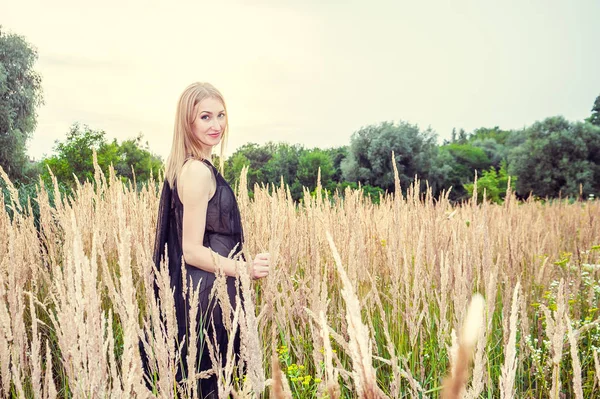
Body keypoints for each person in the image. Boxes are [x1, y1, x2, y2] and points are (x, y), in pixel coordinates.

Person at [151, 82, 270, 397]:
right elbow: (191, 251)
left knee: (217, 384)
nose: (216, 125)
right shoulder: (196, 172)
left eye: (220, 115)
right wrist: (246, 269)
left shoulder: (198, 168)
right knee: (212, 385)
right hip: (208, 294)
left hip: (214, 289)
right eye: (205, 117)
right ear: (187, 122)